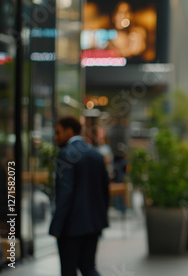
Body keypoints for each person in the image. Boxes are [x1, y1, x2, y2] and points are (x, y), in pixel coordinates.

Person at [49, 116, 109, 276]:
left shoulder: (65, 154)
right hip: (93, 224)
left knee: (69, 271)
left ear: (69, 131)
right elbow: (105, 190)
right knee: (88, 267)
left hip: (71, 227)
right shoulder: (96, 154)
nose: (56, 137)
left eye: (58, 132)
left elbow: (65, 193)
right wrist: (101, 219)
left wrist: (57, 225)